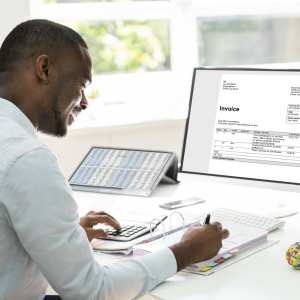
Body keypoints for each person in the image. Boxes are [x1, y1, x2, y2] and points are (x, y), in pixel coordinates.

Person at [0, 19, 229, 300]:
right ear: (44, 69)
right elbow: (93, 291)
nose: (84, 101)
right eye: (82, 84)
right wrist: (186, 251)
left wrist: (59, 237)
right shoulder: (28, 159)